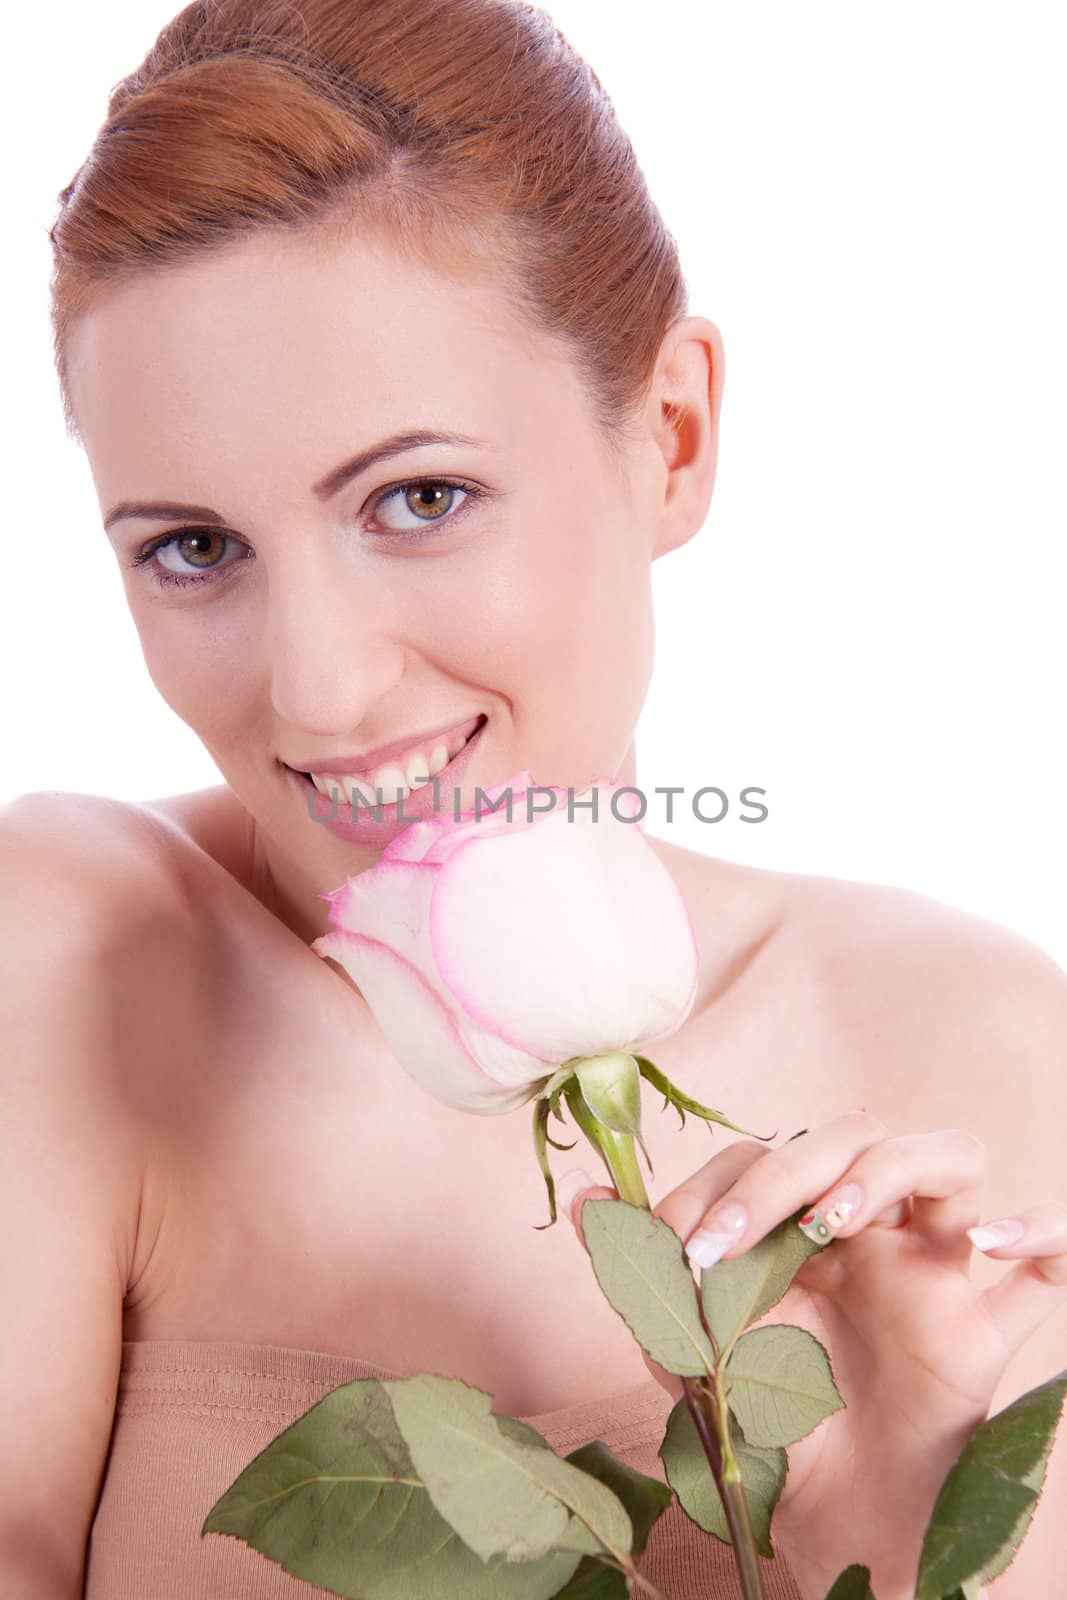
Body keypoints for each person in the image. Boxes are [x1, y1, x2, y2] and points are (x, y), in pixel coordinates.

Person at [4, 1, 1065, 1596]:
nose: (316, 689)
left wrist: (871, 1550)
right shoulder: (80, 963)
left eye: (418, 499)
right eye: (193, 548)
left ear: (675, 437)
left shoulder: (975, 1047)